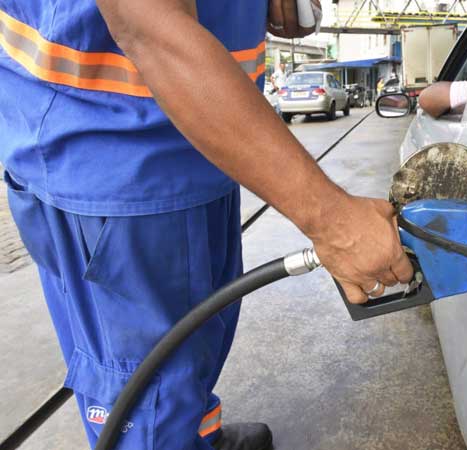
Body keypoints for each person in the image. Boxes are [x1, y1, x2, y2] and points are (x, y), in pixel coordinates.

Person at [0, 1, 412, 449]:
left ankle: (196, 437)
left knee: (193, 349)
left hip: (202, 146)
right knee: (146, 391)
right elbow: (150, 29)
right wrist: (333, 221)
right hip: (116, 162)